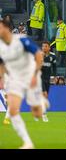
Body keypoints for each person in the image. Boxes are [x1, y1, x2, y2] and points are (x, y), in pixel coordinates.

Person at [0, 19, 45, 149]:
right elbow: (1, 63)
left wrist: (35, 74)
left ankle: (40, 103)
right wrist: (2, 78)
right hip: (15, 79)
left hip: (30, 75)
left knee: (36, 113)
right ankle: (27, 142)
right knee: (13, 110)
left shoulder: (21, 40)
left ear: (7, 28)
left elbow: (38, 55)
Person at [41, 41, 56, 122]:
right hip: (40, 78)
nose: (44, 48)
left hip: (47, 78)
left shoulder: (52, 56)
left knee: (45, 96)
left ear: (49, 48)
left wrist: (55, 76)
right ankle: (44, 114)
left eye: (46, 46)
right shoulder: (39, 55)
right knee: (45, 95)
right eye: (43, 46)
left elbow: (54, 67)